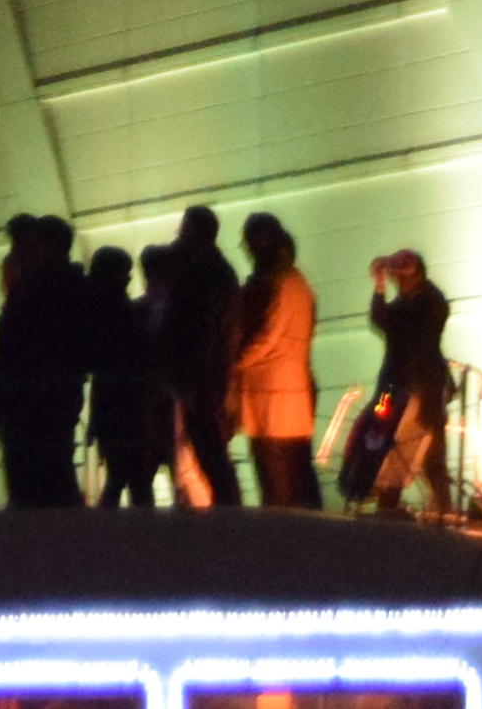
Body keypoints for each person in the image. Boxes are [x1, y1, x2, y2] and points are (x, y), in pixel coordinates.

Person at [0, 214, 86, 510]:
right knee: (53, 469)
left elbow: (19, 344)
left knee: (33, 471)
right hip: (48, 394)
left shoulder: (40, 284)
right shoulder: (61, 281)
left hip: (32, 395)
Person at [344, 246, 456, 517]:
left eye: (404, 278)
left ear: (418, 276)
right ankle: (387, 505)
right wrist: (380, 286)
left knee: (431, 454)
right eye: (397, 279)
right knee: (383, 440)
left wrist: (392, 274)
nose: (400, 283)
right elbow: (381, 319)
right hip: (393, 389)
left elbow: (399, 325)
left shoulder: (430, 303)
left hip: (423, 391)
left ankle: (444, 512)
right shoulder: (406, 304)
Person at [147, 206, 245, 505]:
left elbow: (202, 331)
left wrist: (189, 380)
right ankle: (227, 505)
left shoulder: (205, 274)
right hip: (207, 375)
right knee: (206, 442)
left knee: (206, 442)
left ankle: (227, 506)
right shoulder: (216, 271)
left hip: (200, 378)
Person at [229, 211, 324, 510]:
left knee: (275, 476)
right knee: (298, 471)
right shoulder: (299, 282)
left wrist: (233, 362)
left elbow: (265, 335)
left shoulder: (274, 282)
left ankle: (282, 540)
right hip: (294, 391)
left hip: (269, 392)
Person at [79, 241, 171, 507]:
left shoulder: (96, 307)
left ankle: (106, 530)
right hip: (132, 406)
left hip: (108, 404)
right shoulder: (123, 310)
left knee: (118, 476)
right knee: (137, 479)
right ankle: (147, 535)